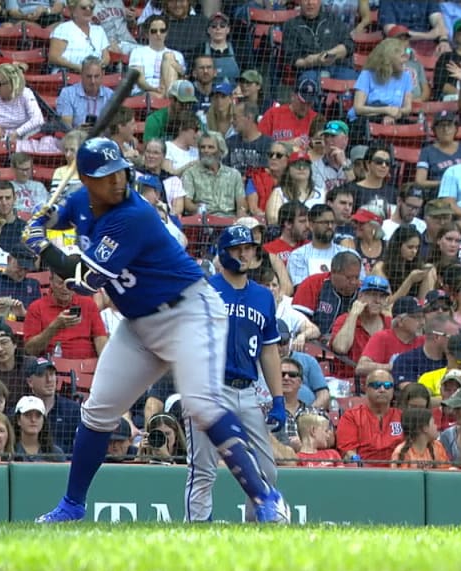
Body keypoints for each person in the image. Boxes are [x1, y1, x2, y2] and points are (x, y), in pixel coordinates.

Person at [25, 137, 289, 523]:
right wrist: (41, 218)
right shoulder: (82, 200)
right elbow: (58, 214)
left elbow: (86, 281)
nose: (117, 182)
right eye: (105, 176)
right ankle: (72, 505)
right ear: (86, 179)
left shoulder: (133, 214)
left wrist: (42, 246)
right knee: (98, 412)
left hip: (189, 313)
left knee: (201, 405)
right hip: (140, 323)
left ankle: (265, 498)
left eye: (121, 174)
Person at [185, 225, 286, 522]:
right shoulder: (205, 290)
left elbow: (269, 350)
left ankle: (253, 532)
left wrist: (278, 399)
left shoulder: (263, 296)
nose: (244, 253)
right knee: (203, 469)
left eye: (249, 248)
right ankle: (196, 535)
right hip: (209, 388)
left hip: (247, 391)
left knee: (266, 470)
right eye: (237, 248)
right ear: (223, 252)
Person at [336, 368, 403, 466]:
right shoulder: (351, 417)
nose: (382, 389)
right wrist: (361, 466)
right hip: (363, 474)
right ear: (366, 389)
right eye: (376, 385)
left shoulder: (403, 417)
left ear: (393, 390)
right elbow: (348, 452)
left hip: (399, 472)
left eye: (387, 386)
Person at [282, 0, 358, 86]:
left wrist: (332, 54)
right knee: (308, 84)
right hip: (310, 71)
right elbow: (292, 60)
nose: (310, 2)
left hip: (338, 68)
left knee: (356, 82)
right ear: (300, 2)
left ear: (320, 1)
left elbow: (349, 45)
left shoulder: (332, 19)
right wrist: (315, 60)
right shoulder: (291, 25)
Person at [48, 0, 110, 74]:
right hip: (68, 74)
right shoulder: (63, 29)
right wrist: (77, 67)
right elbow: (53, 57)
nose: (88, 10)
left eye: (91, 7)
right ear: (73, 11)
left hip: (94, 75)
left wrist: (98, 66)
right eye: (83, 8)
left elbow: (106, 57)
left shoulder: (99, 30)